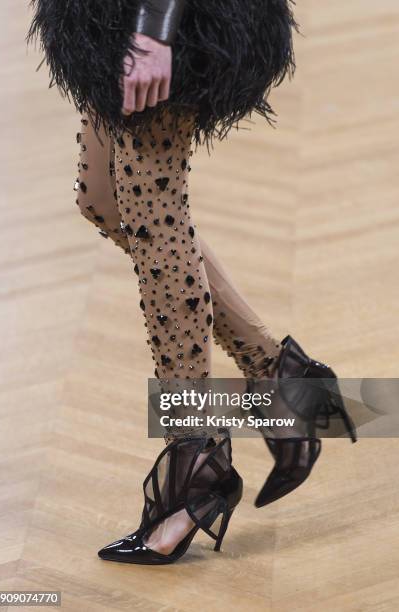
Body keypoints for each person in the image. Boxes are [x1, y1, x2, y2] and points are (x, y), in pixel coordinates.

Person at [26, 0, 356, 565]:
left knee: (155, 218)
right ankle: (281, 376)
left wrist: (156, 30)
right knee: (104, 200)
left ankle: (195, 460)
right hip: (106, 17)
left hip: (166, 23)